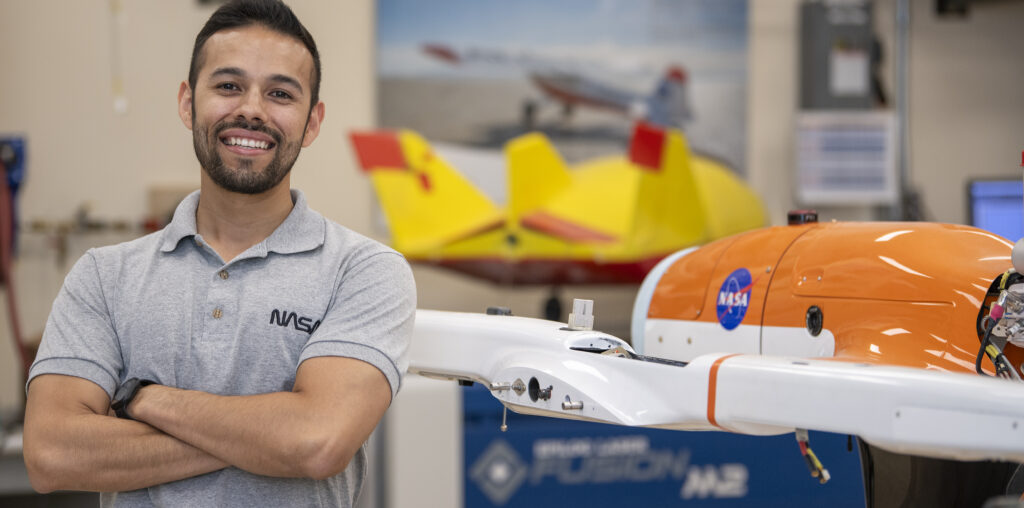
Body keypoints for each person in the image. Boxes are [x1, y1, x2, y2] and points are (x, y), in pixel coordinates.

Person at [22, 0, 416, 506]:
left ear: (312, 122)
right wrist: (268, 436)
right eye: (228, 86)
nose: (251, 109)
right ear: (188, 103)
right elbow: (52, 454)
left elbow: (317, 443)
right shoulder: (104, 275)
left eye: (280, 93)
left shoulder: (364, 272)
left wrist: (142, 397)